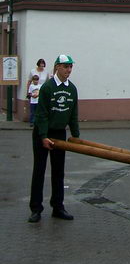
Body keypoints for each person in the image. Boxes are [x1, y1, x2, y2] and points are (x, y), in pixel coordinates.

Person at [28, 54, 79, 223]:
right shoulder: (48, 88)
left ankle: (58, 207)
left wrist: (76, 136)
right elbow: (41, 115)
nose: (69, 70)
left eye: (71, 67)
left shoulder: (72, 89)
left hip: (59, 134)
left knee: (58, 172)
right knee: (39, 171)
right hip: (42, 133)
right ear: (57, 67)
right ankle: (36, 209)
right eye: (66, 67)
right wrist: (43, 136)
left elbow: (73, 115)